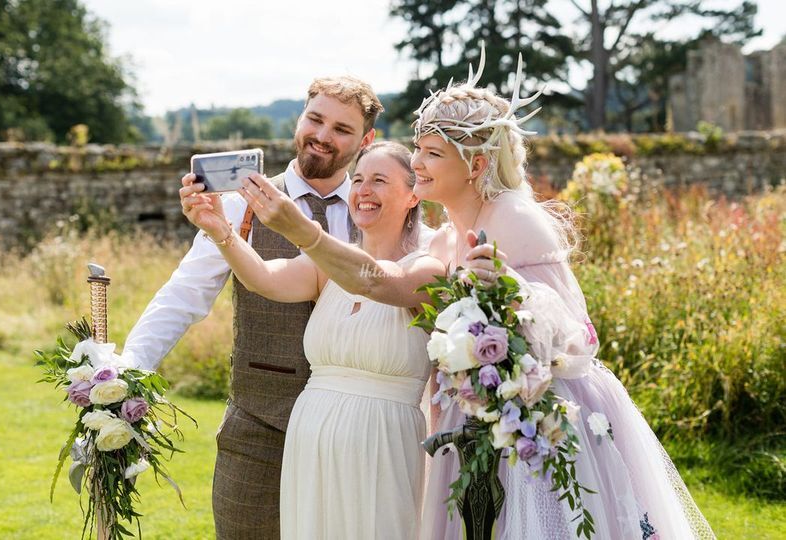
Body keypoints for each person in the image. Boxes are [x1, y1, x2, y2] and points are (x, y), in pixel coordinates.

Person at [245, 51, 716, 539]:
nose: (418, 163)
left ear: (477, 164)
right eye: (419, 149)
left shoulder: (515, 218)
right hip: (467, 416)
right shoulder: (445, 238)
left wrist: (493, 314)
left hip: (537, 420)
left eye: (432, 154)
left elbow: (566, 341)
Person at [122, 75, 383, 539]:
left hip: (352, 432)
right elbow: (185, 294)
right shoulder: (239, 204)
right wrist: (125, 372)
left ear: (366, 140)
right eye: (315, 119)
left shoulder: (378, 210)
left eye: (342, 129)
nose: (322, 136)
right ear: (298, 120)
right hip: (258, 428)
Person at [179, 141, 443, 539]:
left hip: (382, 443)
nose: (362, 191)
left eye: (378, 180)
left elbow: (375, 281)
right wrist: (221, 230)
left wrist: (298, 227)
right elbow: (263, 278)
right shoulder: (327, 267)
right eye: (357, 180)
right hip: (313, 437)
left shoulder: (427, 267)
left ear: (412, 195)